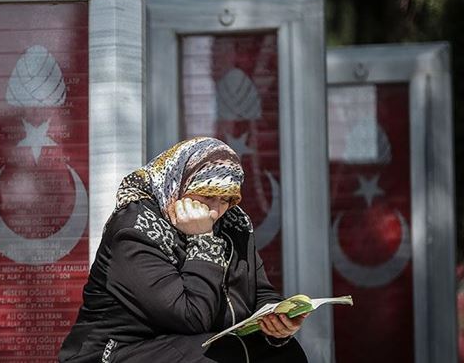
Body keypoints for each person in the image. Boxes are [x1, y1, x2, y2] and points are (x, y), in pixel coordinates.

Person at [59, 137, 308, 363]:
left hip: (192, 344)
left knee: (284, 353)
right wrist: (203, 238)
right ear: (180, 182)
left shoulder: (233, 224)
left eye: (225, 199)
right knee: (215, 357)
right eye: (207, 195)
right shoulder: (135, 230)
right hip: (115, 352)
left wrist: (277, 322)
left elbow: (259, 293)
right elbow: (191, 317)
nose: (215, 210)